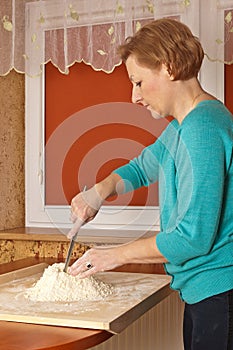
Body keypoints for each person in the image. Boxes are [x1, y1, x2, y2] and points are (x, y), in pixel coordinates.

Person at [67, 18, 233, 350]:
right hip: (206, 293)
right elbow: (142, 168)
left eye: (138, 82)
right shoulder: (184, 127)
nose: (134, 96)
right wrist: (98, 192)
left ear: (169, 67)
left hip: (220, 295)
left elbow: (193, 237)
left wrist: (111, 256)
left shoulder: (202, 129)